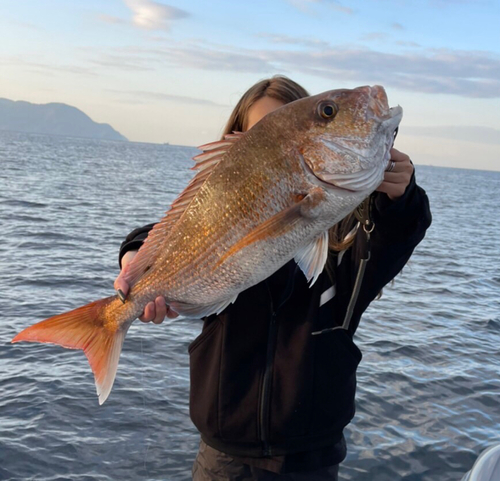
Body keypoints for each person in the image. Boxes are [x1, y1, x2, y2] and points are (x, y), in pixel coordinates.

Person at [115, 76, 431, 480]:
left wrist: (402, 200)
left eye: (325, 113)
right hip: (222, 456)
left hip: (311, 460)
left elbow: (392, 239)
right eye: (254, 133)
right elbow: (176, 231)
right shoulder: (218, 214)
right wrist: (134, 257)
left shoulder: (350, 244)